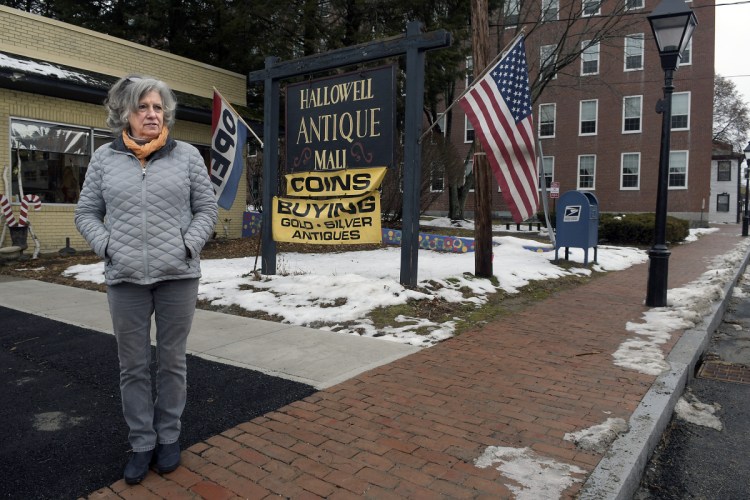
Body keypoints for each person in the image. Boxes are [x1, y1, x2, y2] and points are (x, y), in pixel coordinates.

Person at [75, 75, 218, 485]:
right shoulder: (104, 159)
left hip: (178, 277)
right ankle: (141, 442)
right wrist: (110, 247)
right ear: (125, 114)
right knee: (133, 366)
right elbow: (86, 212)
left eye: (158, 107)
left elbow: (206, 209)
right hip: (125, 280)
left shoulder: (187, 155)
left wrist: (188, 246)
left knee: (172, 362)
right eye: (143, 107)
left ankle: (168, 438)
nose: (152, 114)